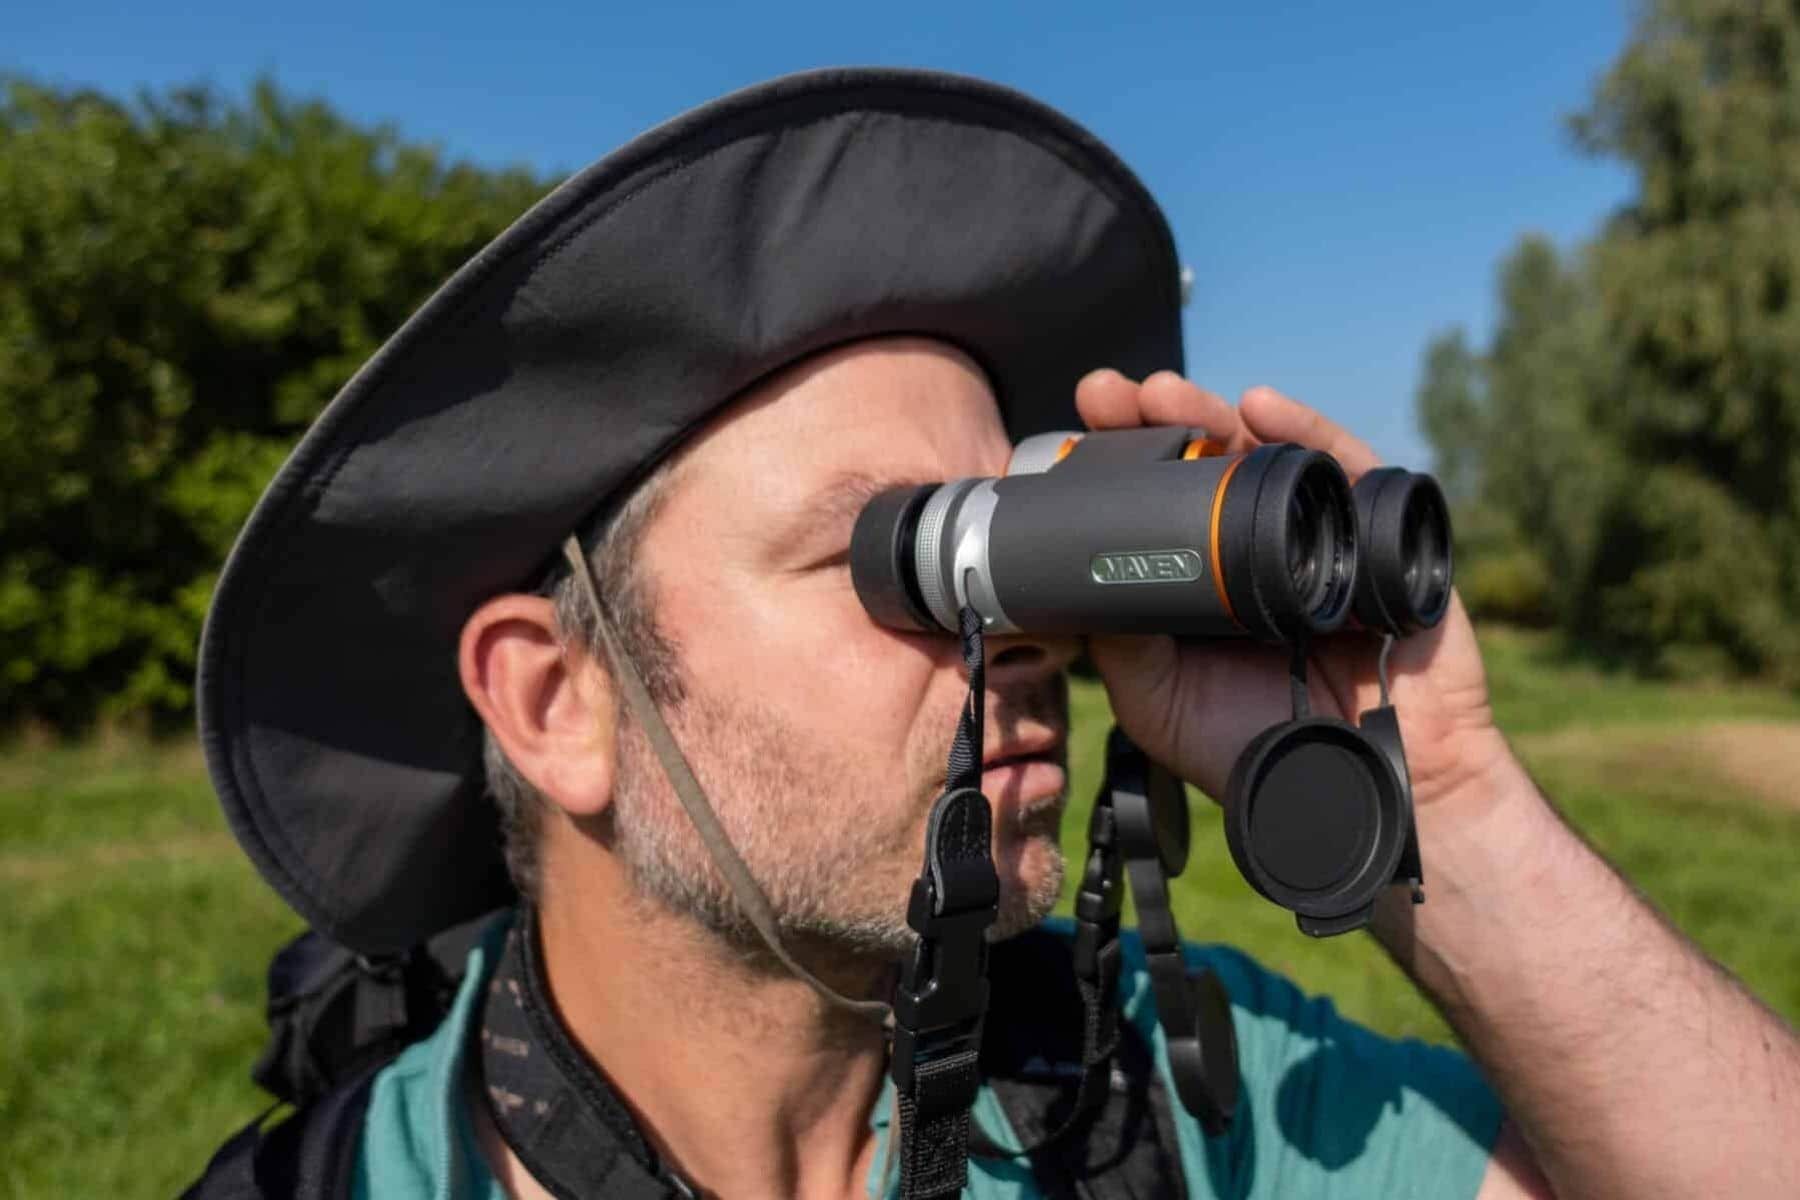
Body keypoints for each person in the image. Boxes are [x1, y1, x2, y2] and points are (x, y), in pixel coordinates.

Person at [187, 69, 1800, 1199]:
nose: (1017, 628)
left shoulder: (1148, 1094)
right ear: (557, 703)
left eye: (1012, 539)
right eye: (898, 559)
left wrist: (1443, 794)